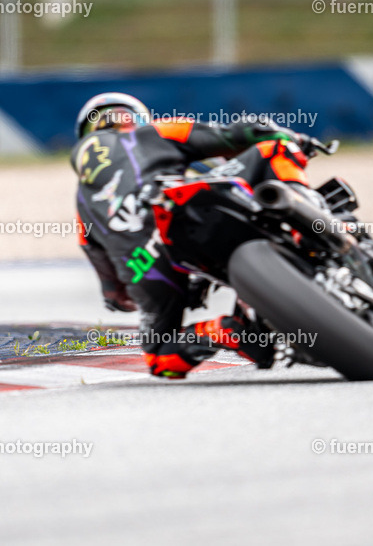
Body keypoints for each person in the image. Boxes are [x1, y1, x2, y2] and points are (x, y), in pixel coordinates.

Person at [72, 92, 307, 378]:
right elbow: (238, 133)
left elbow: (113, 293)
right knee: (275, 150)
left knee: (161, 359)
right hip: (199, 211)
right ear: (138, 119)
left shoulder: (83, 203)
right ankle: (306, 224)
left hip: (151, 266)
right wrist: (292, 138)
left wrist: (127, 291)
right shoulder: (156, 131)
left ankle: (222, 331)